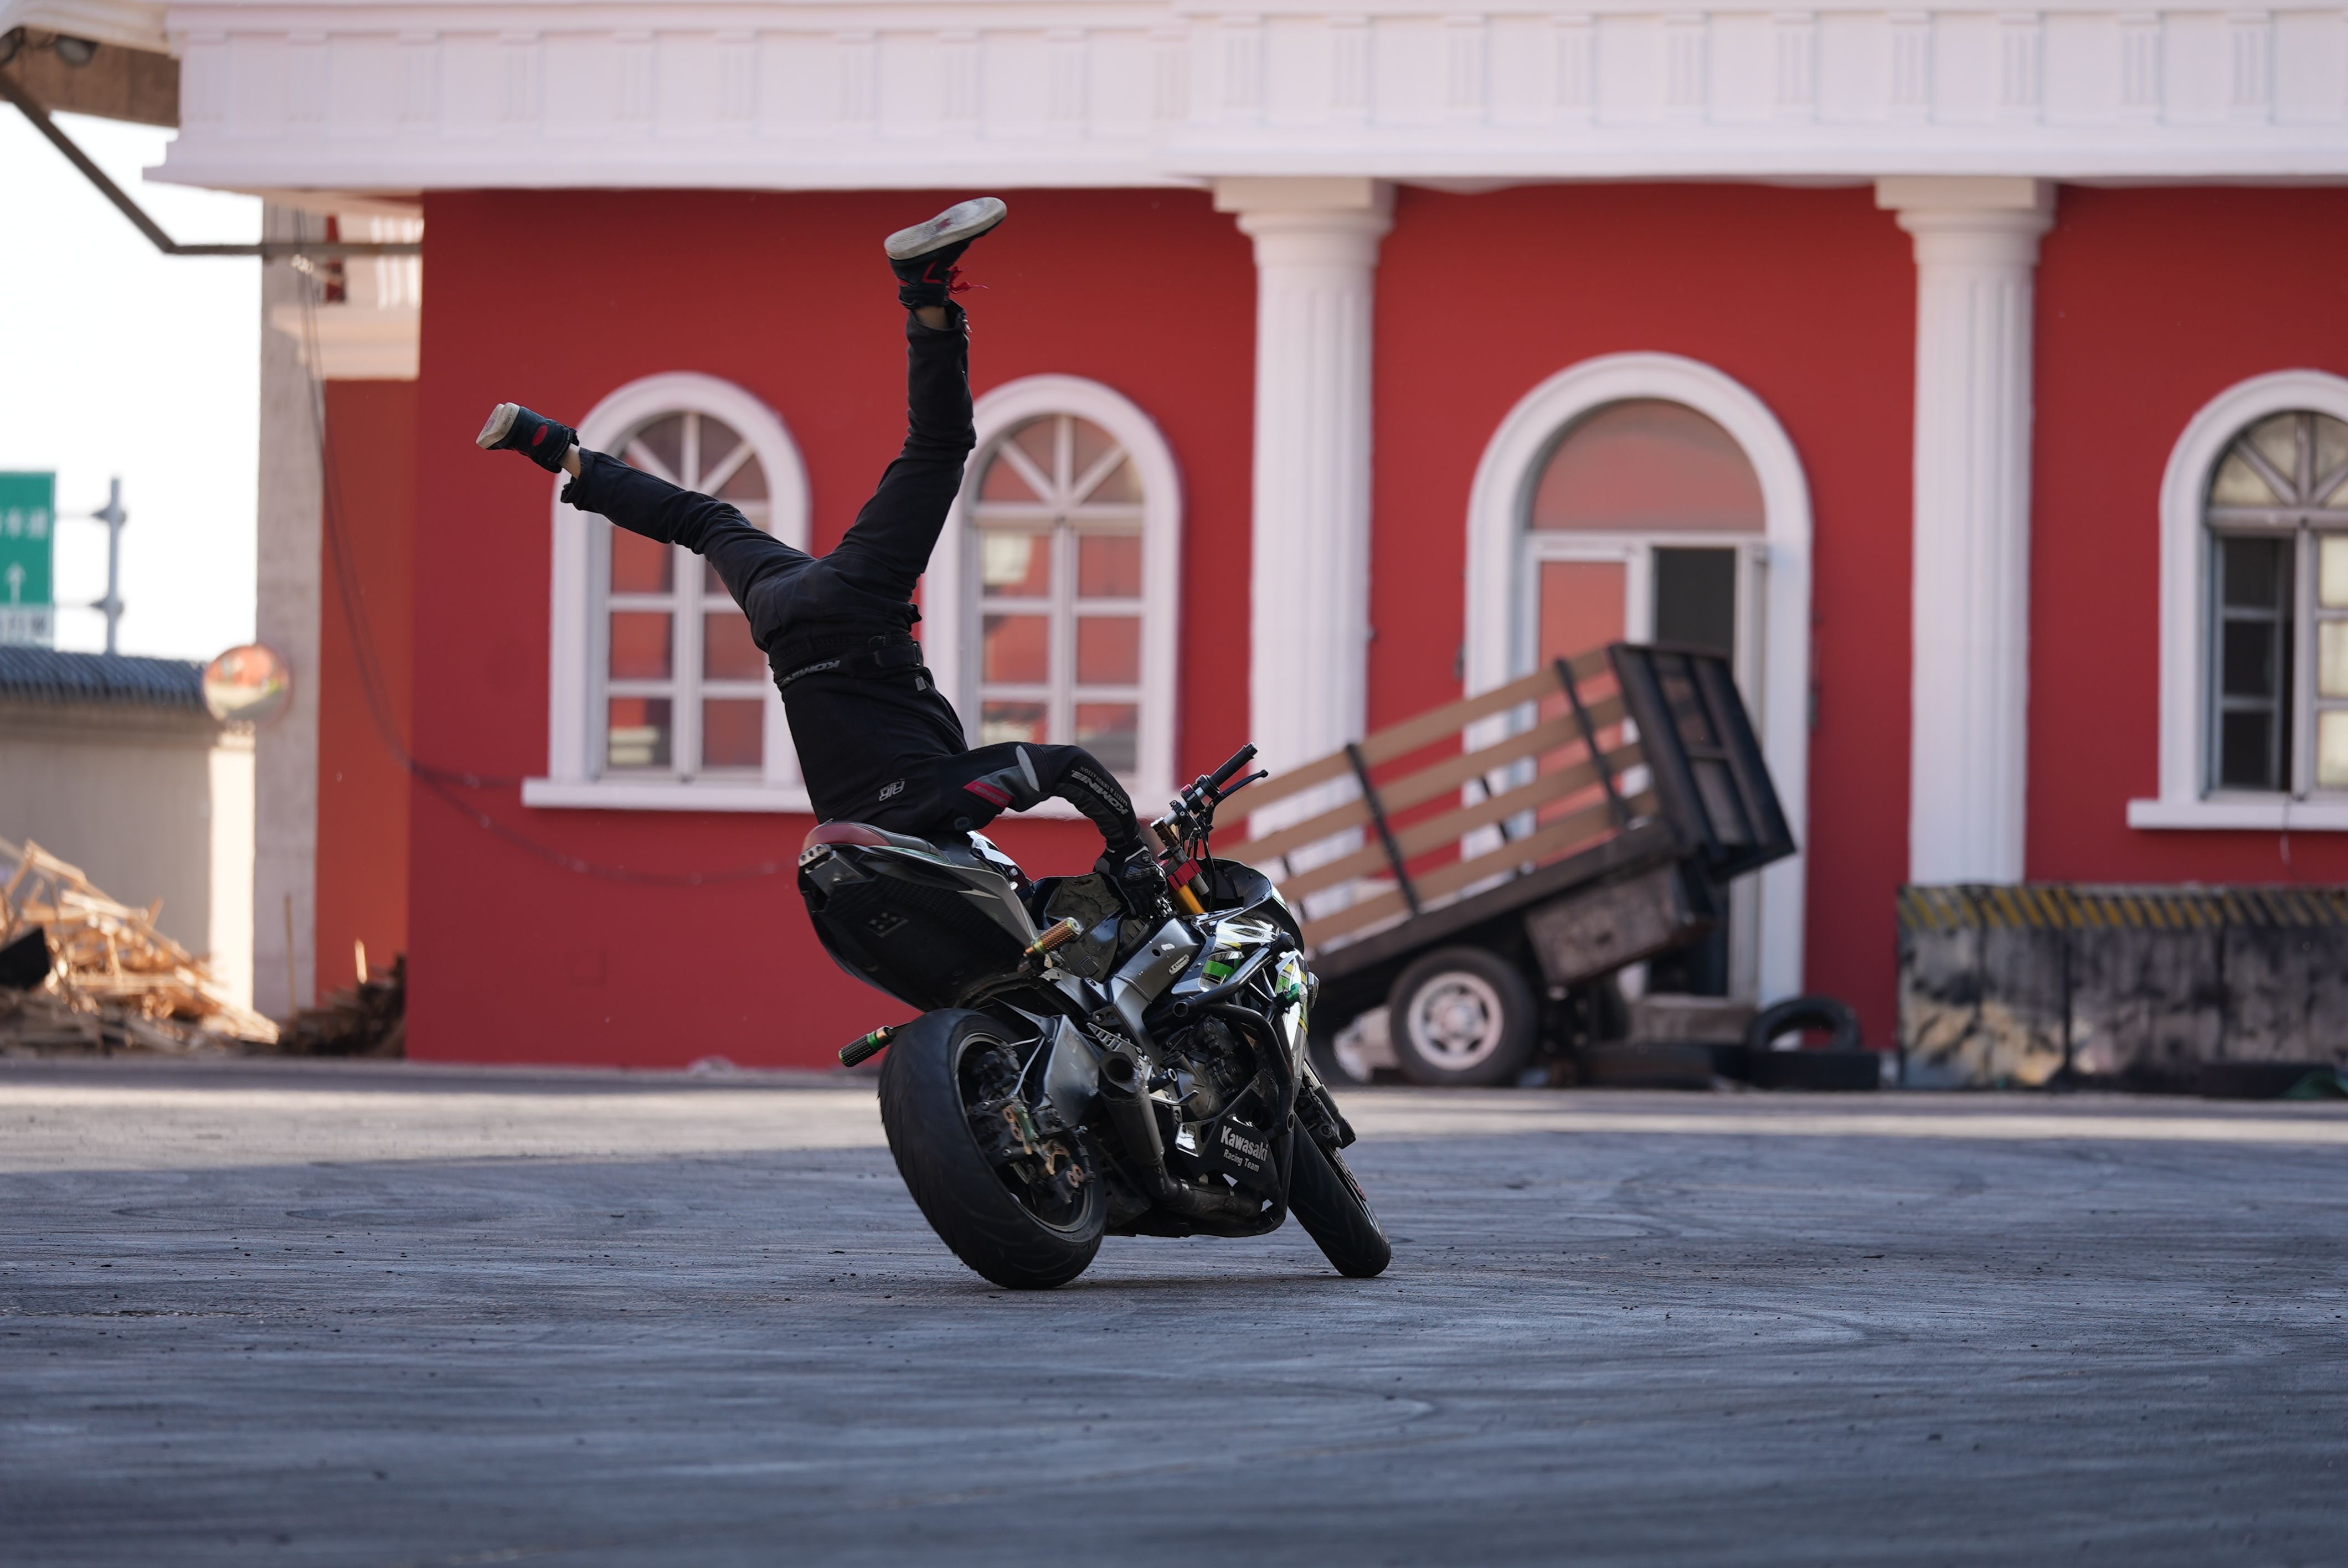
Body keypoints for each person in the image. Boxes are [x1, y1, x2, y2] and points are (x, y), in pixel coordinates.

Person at [474, 198, 1166, 909]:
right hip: (781, 620)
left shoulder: (930, 802)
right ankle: (554, 449)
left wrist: (1129, 847)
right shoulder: (847, 839)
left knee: (938, 448)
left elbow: (1062, 764)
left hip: (853, 608)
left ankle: (924, 292)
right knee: (704, 522)